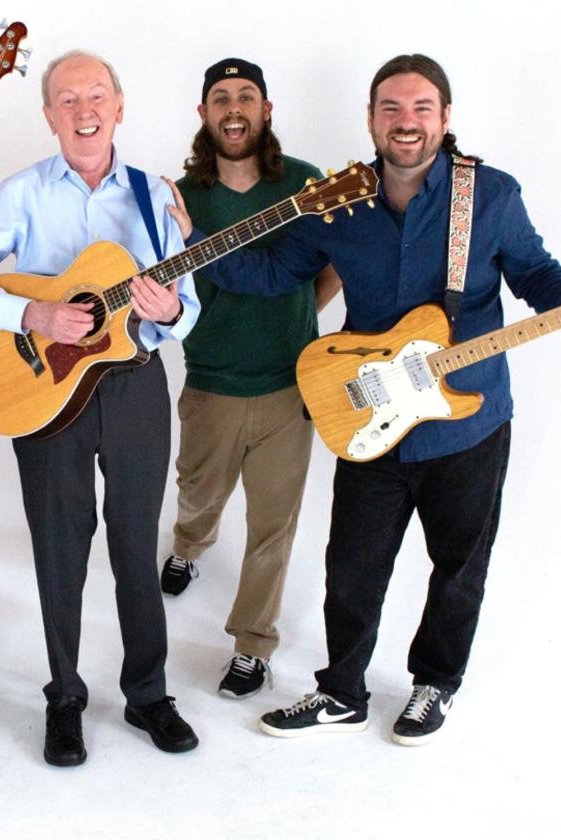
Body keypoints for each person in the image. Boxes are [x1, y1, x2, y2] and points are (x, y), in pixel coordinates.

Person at [174, 54, 561, 746]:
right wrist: (192, 241)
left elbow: (533, 269)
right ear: (370, 119)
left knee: (458, 567)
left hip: (468, 422)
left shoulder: (491, 196)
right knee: (351, 570)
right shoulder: (339, 205)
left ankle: (433, 685)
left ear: (445, 118)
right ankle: (341, 692)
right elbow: (269, 275)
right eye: (391, 108)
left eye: (421, 109)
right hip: (369, 419)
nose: (406, 122)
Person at [0, 50, 201, 767]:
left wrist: (170, 307)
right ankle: (65, 696)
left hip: (135, 384)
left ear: (119, 106)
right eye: (68, 99)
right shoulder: (20, 195)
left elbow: (187, 306)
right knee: (58, 546)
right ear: (49, 115)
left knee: (137, 545)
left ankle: (147, 695)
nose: (85, 110)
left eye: (98, 95)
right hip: (46, 392)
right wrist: (30, 316)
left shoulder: (152, 193)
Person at [159, 57, 342, 700]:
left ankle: (252, 643)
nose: (232, 108)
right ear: (203, 114)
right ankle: (188, 546)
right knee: (198, 497)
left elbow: (330, 266)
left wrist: (296, 318)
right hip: (210, 382)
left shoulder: (307, 184)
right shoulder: (182, 197)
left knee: (274, 526)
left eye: (245, 97)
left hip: (290, 387)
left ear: (266, 110)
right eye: (219, 98)